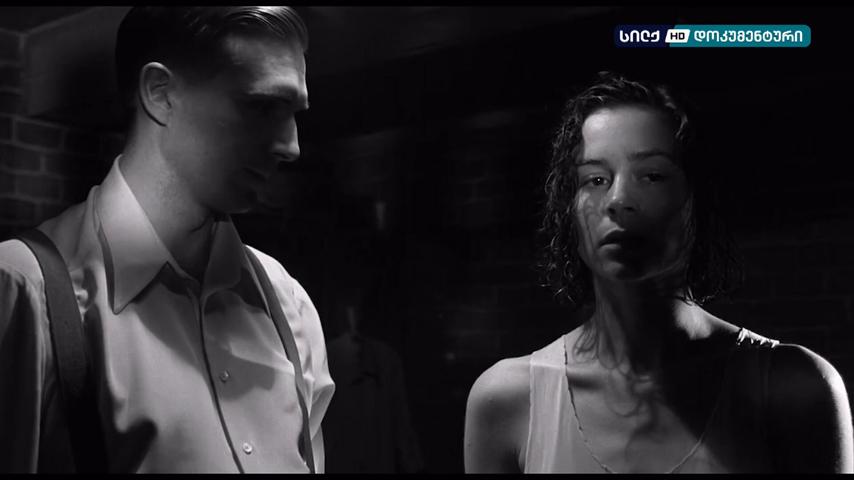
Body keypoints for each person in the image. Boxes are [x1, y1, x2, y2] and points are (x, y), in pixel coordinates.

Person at [463, 72, 854, 473]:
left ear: (696, 199)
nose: (618, 199)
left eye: (651, 175)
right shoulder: (509, 400)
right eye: (595, 179)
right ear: (569, 208)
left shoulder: (793, 389)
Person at [0, 6, 334, 473]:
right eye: (261, 106)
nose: (291, 146)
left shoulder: (288, 304)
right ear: (160, 94)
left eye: (294, 113)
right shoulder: (23, 289)